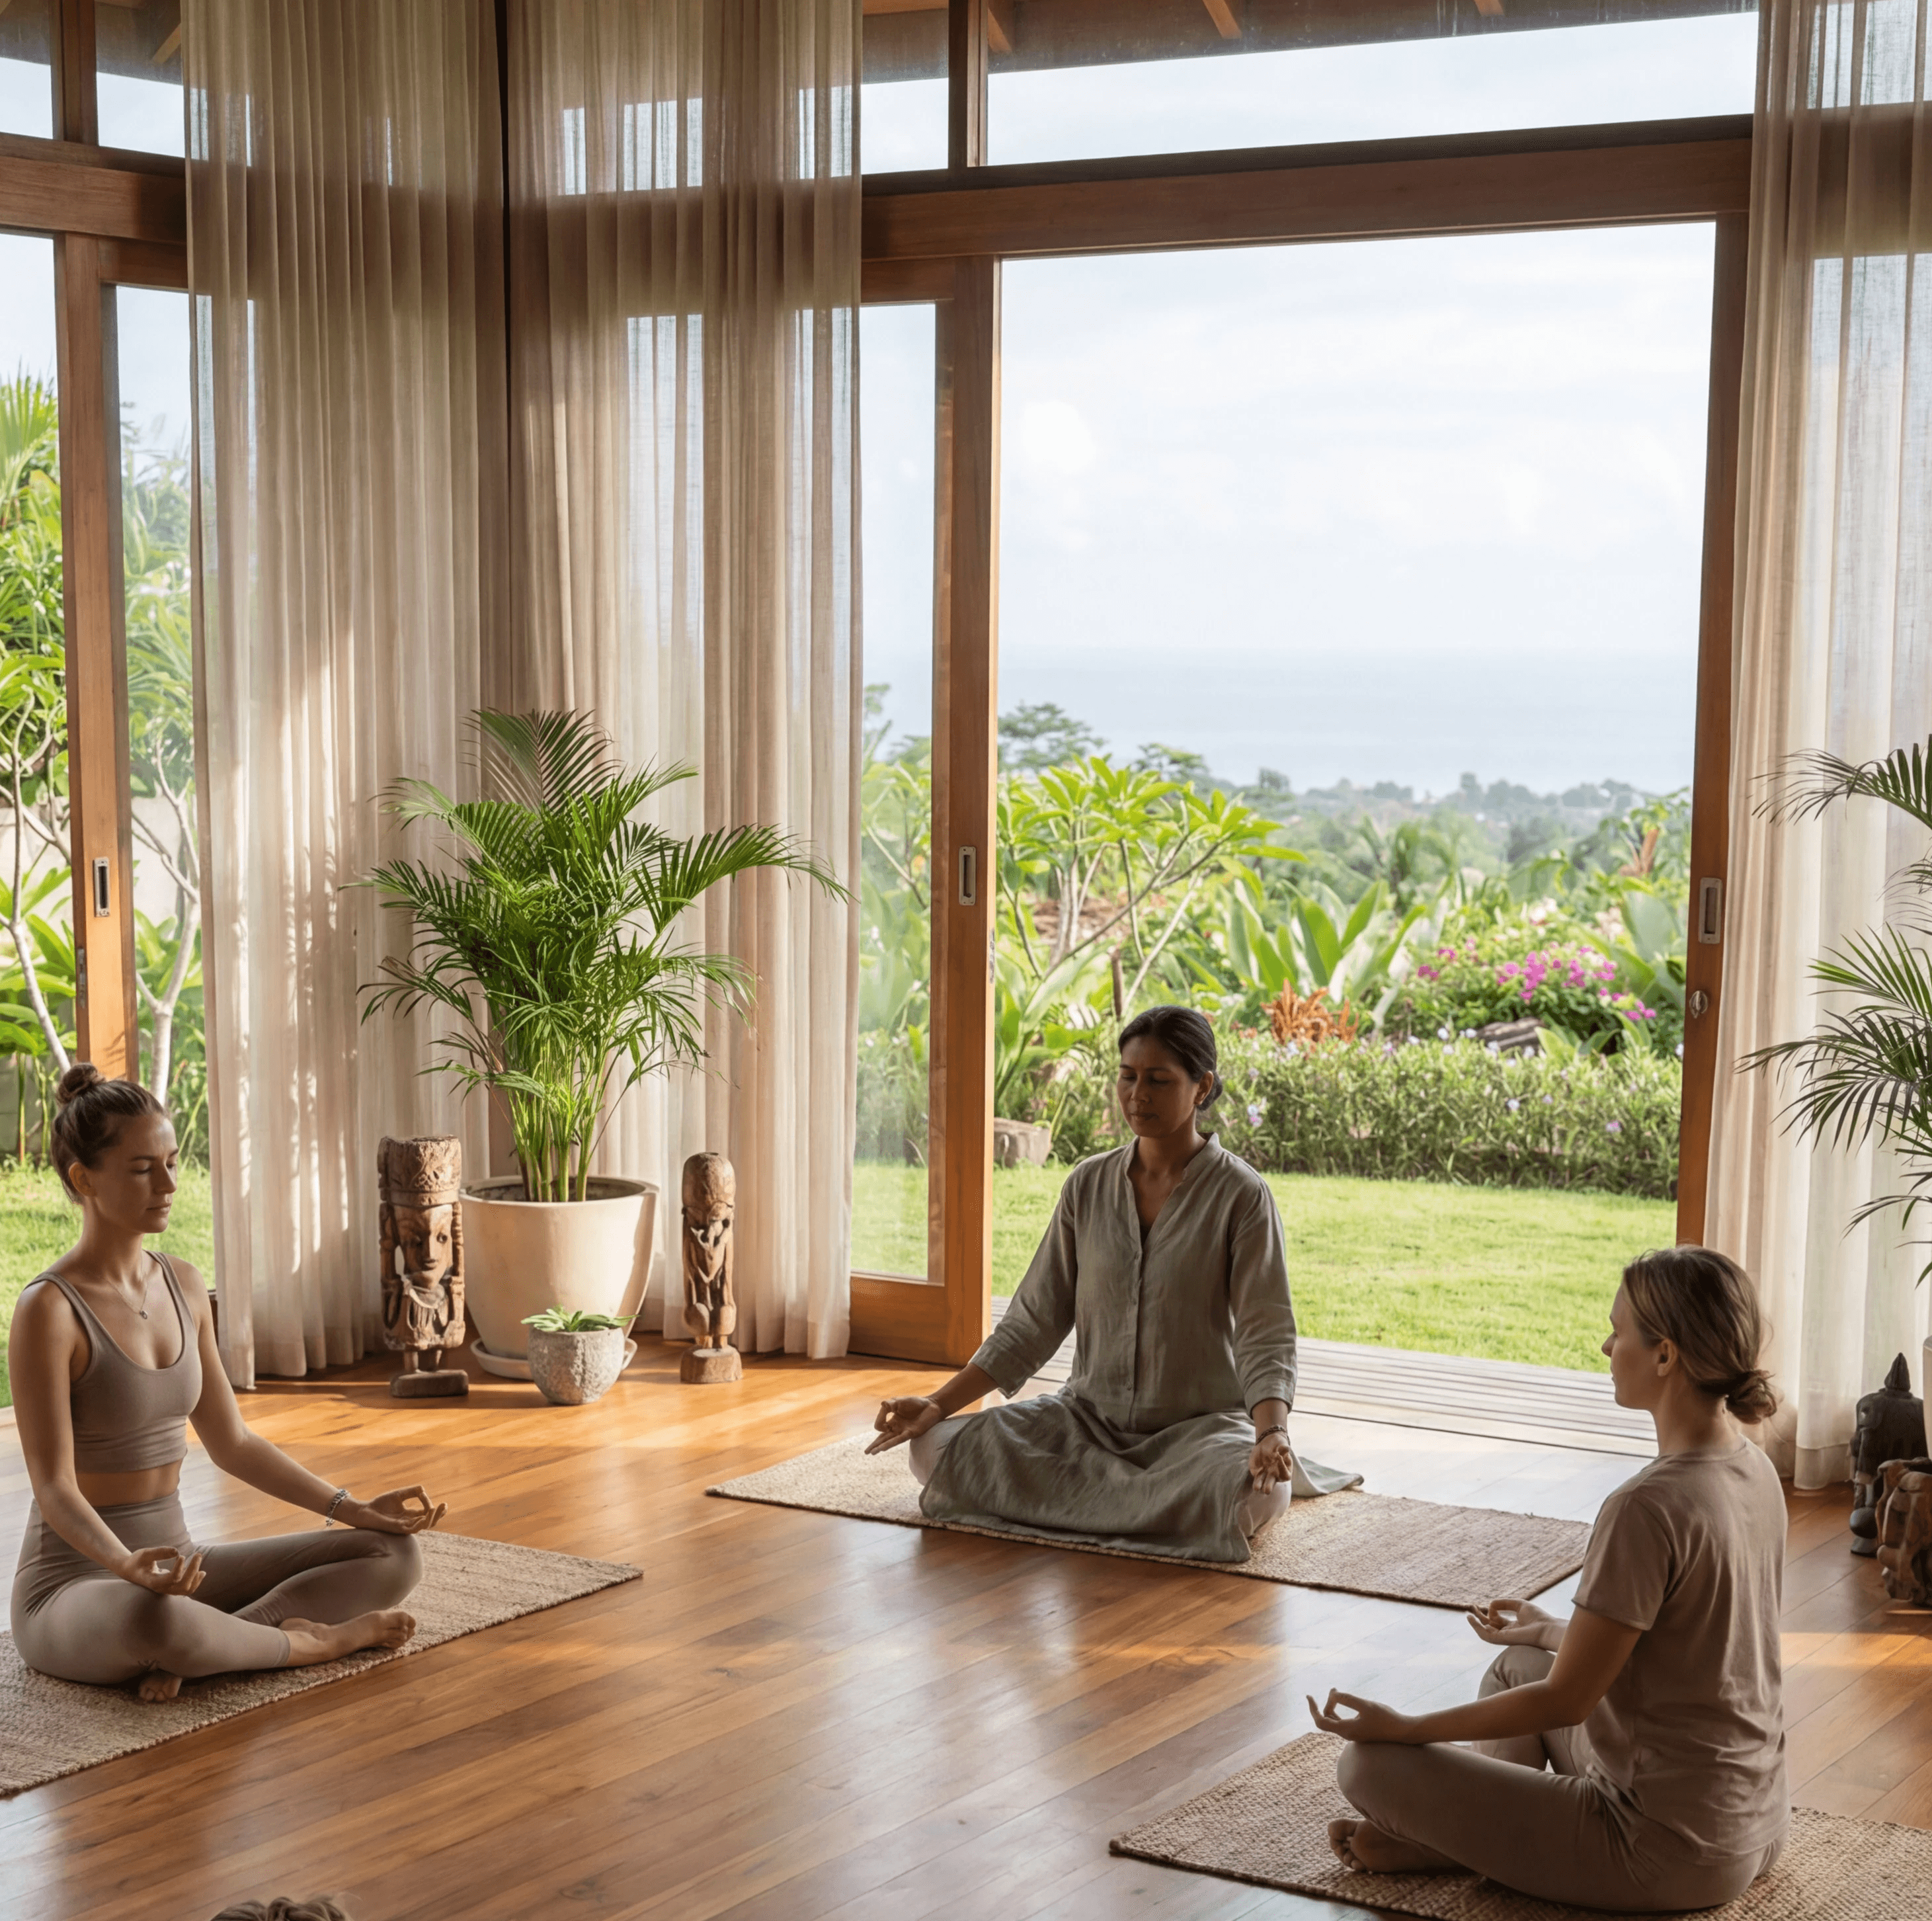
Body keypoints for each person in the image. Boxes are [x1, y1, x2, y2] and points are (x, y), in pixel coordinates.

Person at [1308, 1245, 1788, 1913]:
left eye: (1618, 1331)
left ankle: (1461, 1841)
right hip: (1753, 1822)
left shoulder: (1645, 1505)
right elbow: (1699, 1650)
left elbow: (1565, 1703)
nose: (1604, 1345)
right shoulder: (1752, 1465)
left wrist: (1409, 1725)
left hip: (1662, 1849)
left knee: (1366, 1765)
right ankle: (1476, 1838)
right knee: (1519, 1661)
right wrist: (1555, 1628)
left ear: (1665, 1355)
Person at [11, 1063, 444, 1702]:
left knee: (392, 1555)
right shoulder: (48, 1310)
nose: (168, 1183)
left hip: (179, 1566)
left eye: (173, 1161)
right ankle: (314, 1642)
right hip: (76, 1584)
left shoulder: (184, 1284)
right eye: (141, 1168)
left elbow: (233, 1442)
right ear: (84, 1179)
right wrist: (126, 1565)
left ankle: (226, 1641)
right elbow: (54, 1489)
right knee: (151, 1618)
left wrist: (351, 1507)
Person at [867, 1005, 1356, 1563]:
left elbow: (1266, 1334)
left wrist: (1272, 1435)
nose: (1137, 1094)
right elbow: (1032, 1320)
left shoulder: (1242, 1196)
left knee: (1254, 1496)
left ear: (1203, 1087)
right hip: (1083, 1425)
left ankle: (1091, 1503)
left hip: (1197, 1436)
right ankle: (1138, 1512)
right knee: (934, 1449)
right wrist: (936, 1403)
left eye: (1158, 1080)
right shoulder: (1087, 1184)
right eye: (1128, 1076)